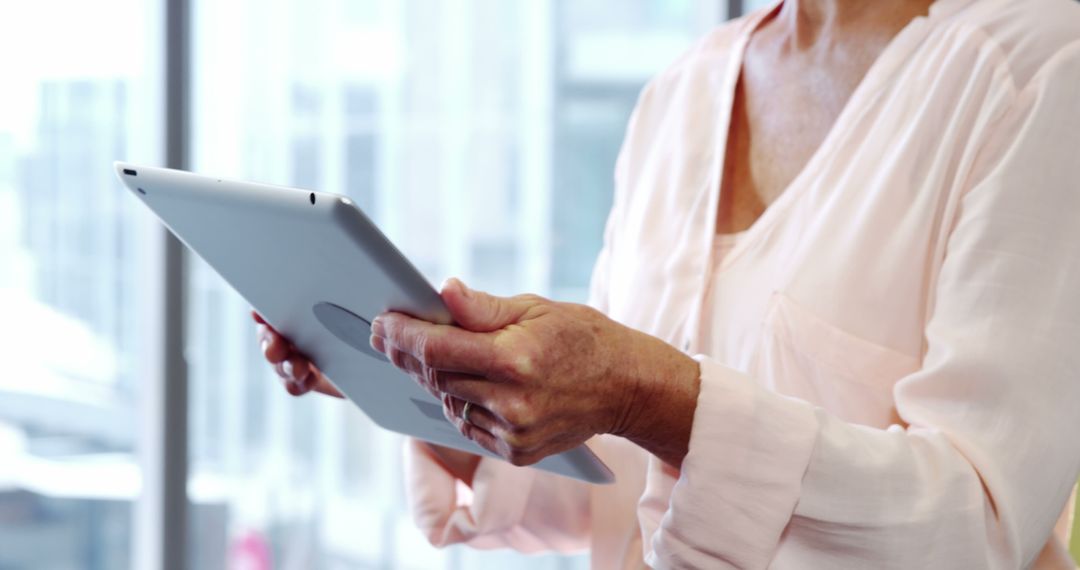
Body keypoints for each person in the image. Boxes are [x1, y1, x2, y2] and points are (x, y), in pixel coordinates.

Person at [256, 0, 1080, 566]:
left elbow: (979, 528)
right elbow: (628, 492)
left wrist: (649, 394)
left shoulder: (1040, 70)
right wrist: (421, 382)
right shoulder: (680, 93)